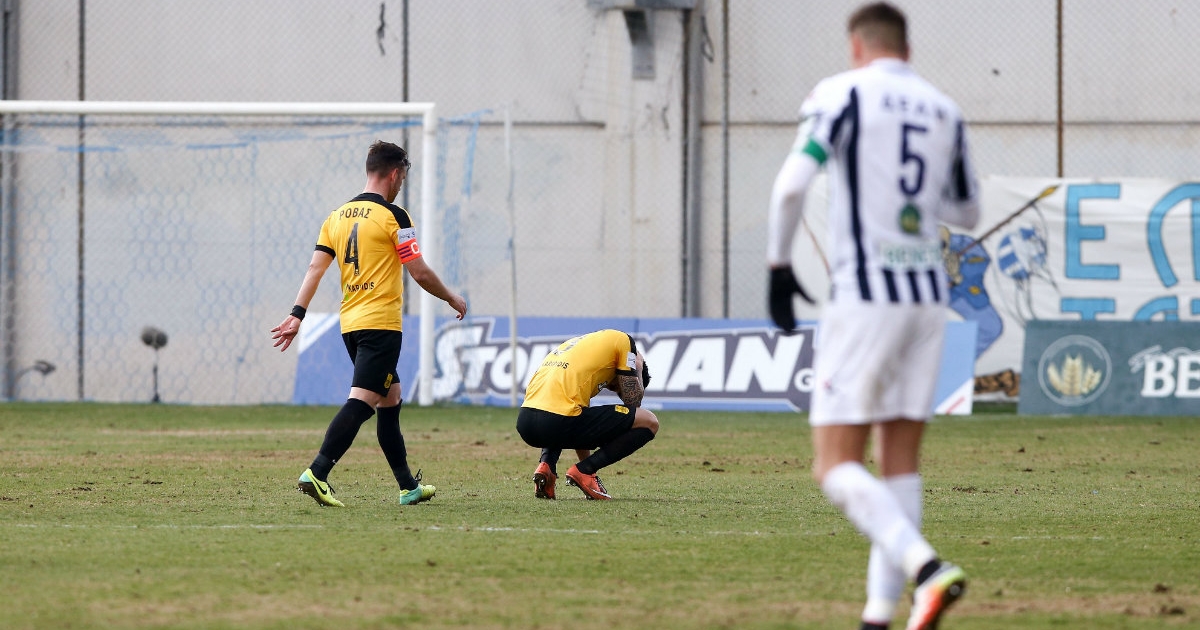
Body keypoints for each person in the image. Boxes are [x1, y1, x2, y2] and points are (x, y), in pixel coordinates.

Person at [765, 4, 980, 630]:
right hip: (927, 297)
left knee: (834, 463)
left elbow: (791, 186)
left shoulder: (840, 94)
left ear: (856, 46)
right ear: (907, 48)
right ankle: (880, 615)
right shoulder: (944, 109)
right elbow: (966, 211)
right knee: (900, 464)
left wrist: (779, 267)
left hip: (866, 296)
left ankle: (927, 570)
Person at [271, 140, 467, 508]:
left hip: (351, 325)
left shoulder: (335, 217)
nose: (400, 185)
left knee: (390, 398)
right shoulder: (395, 216)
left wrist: (297, 314)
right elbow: (419, 272)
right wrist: (451, 297)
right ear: (394, 174)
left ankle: (408, 486)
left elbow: (315, 268)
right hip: (381, 326)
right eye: (402, 179)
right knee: (363, 401)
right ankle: (317, 472)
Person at [516, 329, 658, 500]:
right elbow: (633, 402)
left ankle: (547, 466)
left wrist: (586, 466)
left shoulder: (581, 346)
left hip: (525, 422)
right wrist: (638, 369)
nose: (613, 388)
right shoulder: (624, 341)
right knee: (649, 421)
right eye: (616, 387)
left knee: (568, 413)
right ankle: (584, 472)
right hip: (557, 420)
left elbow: (578, 421)